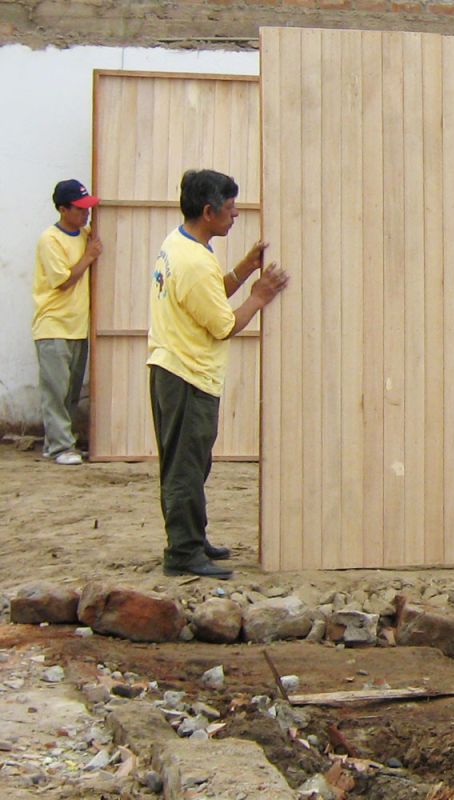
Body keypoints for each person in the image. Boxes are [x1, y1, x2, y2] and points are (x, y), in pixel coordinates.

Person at [148, 169, 289, 579]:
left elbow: (208, 299)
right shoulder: (192, 261)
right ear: (208, 211)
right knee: (186, 468)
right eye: (230, 209)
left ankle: (193, 538)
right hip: (186, 376)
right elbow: (223, 323)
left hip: (178, 370)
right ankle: (183, 552)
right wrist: (259, 296)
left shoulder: (182, 244)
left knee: (192, 463)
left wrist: (244, 269)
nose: (235, 215)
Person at [32, 180, 102, 465]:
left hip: (77, 326)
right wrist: (88, 256)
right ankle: (61, 447)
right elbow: (62, 281)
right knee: (56, 390)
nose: (85, 214)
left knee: (70, 391)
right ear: (63, 209)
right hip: (53, 325)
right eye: (79, 209)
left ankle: (58, 442)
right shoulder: (50, 239)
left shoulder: (84, 234)